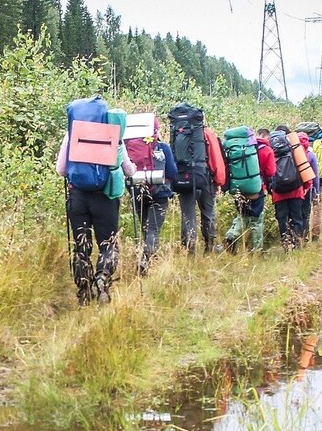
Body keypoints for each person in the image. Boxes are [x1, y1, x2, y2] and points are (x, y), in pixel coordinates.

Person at [56, 123, 137, 304]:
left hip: (78, 197)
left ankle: (84, 291)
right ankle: (103, 279)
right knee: (108, 244)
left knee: (81, 246)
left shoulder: (71, 133)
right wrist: (134, 169)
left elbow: (61, 170)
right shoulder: (112, 132)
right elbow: (127, 169)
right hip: (105, 197)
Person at [127, 119, 177, 273]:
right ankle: (146, 259)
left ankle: (148, 258)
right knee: (153, 229)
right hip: (160, 194)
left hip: (137, 192)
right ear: (155, 130)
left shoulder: (129, 147)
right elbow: (172, 172)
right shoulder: (162, 148)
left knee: (145, 227)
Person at [174, 118, 227, 255]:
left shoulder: (177, 132)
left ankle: (189, 250)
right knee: (208, 213)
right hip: (205, 179)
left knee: (187, 215)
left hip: (183, 178)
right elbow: (216, 159)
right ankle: (210, 247)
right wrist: (219, 181)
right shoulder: (208, 133)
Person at [225, 129, 276, 253]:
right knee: (257, 220)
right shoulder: (267, 150)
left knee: (241, 215)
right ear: (267, 137)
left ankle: (231, 235)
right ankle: (257, 250)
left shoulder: (243, 147)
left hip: (239, 187)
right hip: (256, 189)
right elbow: (271, 172)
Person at [270, 125, 312, 250]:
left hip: (278, 192)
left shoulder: (271, 148)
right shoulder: (294, 146)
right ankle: (297, 244)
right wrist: (305, 186)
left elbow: (267, 171)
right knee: (297, 218)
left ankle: (285, 245)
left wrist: (270, 188)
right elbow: (303, 166)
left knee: (282, 220)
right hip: (296, 190)